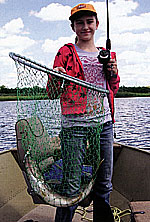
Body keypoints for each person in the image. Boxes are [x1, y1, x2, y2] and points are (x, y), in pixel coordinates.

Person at [46, 3, 120, 222]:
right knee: (70, 185)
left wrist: (113, 73)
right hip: (74, 126)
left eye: (89, 22)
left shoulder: (107, 54)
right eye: (80, 22)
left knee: (104, 184)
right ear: (73, 27)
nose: (85, 26)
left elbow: (113, 88)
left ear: (97, 24)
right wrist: (56, 75)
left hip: (104, 124)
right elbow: (51, 93)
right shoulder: (65, 52)